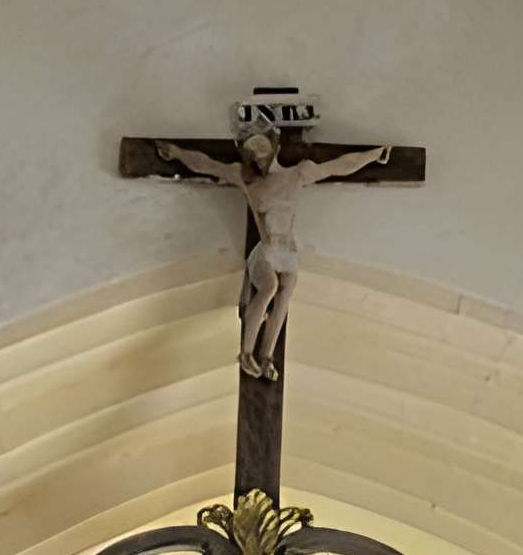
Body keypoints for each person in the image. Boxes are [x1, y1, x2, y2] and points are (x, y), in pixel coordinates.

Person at [152, 129, 394, 378]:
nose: (258, 158)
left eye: (262, 151)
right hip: (266, 249)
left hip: (287, 250)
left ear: (275, 149)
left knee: (284, 296)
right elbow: (208, 165)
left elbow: (339, 166)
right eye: (253, 154)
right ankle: (246, 352)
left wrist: (373, 156)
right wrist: (177, 153)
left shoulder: (297, 174)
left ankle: (266, 356)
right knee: (269, 286)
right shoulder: (246, 180)